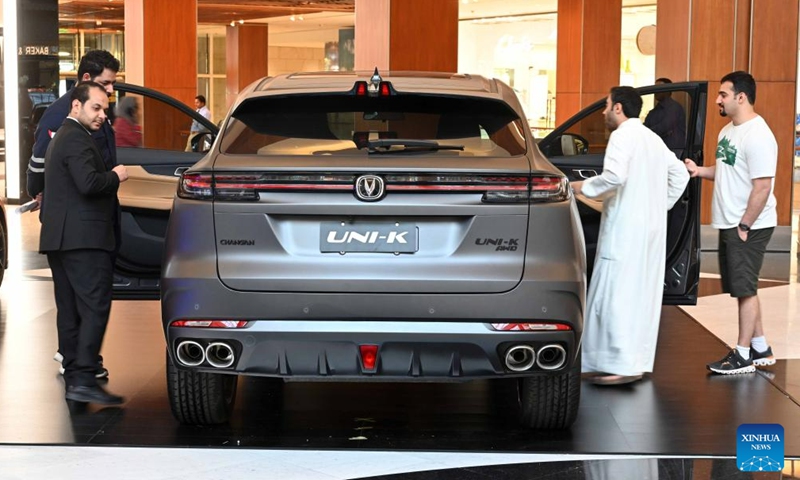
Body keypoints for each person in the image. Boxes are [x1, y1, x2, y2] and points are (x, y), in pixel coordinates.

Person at [571, 86, 690, 385]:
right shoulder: (652, 138)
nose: (603, 111)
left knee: (616, 295)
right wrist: (658, 206)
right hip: (649, 231)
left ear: (619, 109)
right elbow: (681, 175)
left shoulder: (622, 136)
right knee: (638, 296)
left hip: (625, 229)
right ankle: (630, 363)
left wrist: (581, 187)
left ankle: (620, 365)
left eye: (606, 105)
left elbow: (614, 177)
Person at [27, 49, 121, 379]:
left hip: (77, 220)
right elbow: (42, 162)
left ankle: (76, 361)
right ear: (84, 83)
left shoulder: (91, 115)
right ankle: (82, 364)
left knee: (73, 301)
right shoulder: (61, 119)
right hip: (76, 220)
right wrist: (40, 192)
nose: (109, 93)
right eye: (105, 85)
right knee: (90, 301)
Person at [39, 82, 129, 405]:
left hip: (61, 239)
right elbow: (89, 183)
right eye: (96, 107)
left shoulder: (63, 136)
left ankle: (77, 378)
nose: (103, 115)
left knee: (71, 311)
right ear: (76, 106)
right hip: (83, 239)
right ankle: (85, 376)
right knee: (94, 307)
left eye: (105, 109)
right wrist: (116, 175)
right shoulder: (76, 138)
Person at [684, 71, 777, 375]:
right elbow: (726, 170)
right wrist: (699, 171)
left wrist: (745, 225)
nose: (718, 100)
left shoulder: (759, 135)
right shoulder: (727, 132)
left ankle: (742, 354)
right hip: (731, 222)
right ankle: (761, 346)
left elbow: (762, 186)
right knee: (745, 285)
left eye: (723, 94)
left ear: (741, 97)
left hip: (749, 225)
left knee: (744, 290)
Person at [644, 78, 687, 153]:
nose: (655, 91)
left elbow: (664, 127)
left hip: (673, 151)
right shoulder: (653, 112)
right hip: (657, 150)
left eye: (659, 88)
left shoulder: (674, 108)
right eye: (654, 88)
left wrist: (648, 132)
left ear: (668, 90)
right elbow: (645, 128)